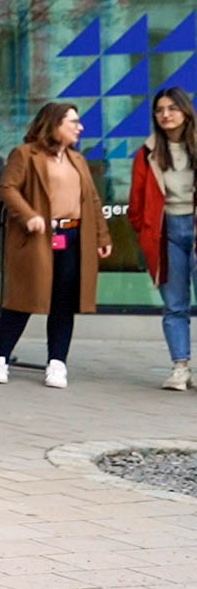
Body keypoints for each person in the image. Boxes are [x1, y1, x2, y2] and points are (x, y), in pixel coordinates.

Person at [0, 102, 111, 389]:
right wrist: (29, 216)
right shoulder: (26, 154)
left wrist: (102, 237)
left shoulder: (77, 160)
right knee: (24, 298)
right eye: (73, 122)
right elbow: (8, 189)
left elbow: (92, 200)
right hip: (37, 238)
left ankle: (57, 364)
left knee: (63, 301)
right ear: (54, 124)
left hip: (73, 236)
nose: (79, 127)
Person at [131, 87, 197, 391]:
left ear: (185, 111)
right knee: (175, 305)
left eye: (172, 108)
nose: (166, 114)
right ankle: (180, 367)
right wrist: (144, 230)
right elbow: (136, 202)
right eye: (159, 110)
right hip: (165, 233)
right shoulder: (147, 152)